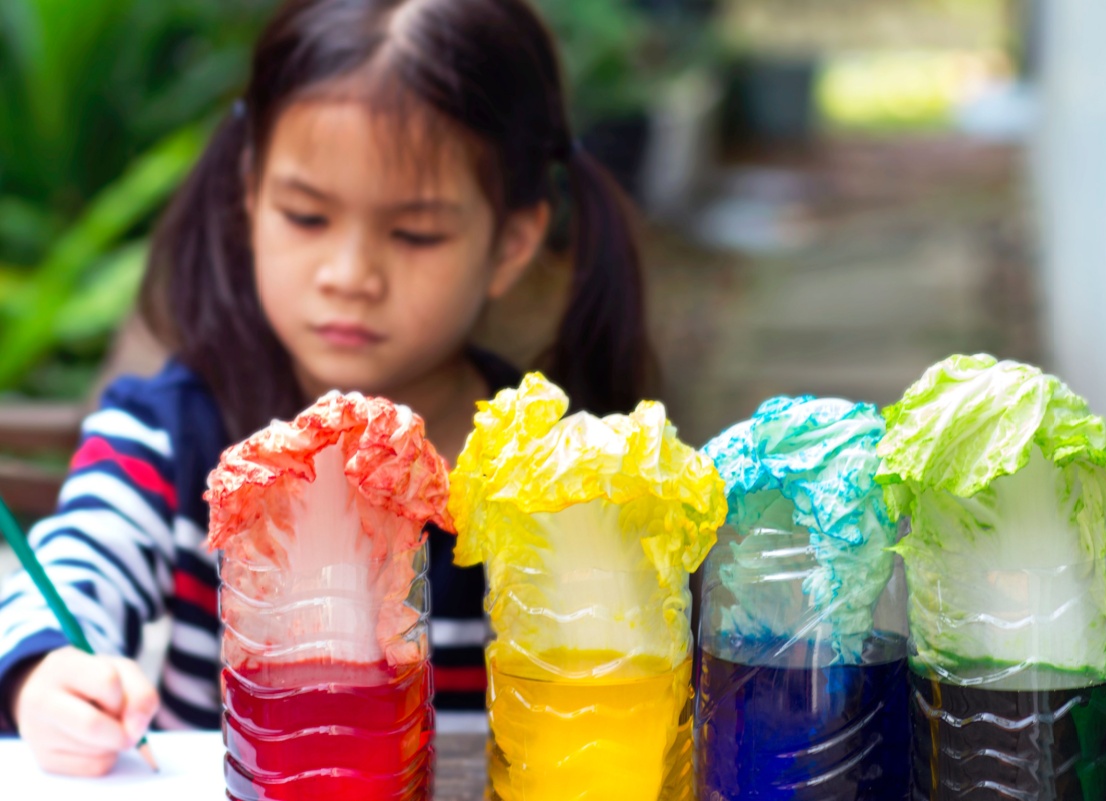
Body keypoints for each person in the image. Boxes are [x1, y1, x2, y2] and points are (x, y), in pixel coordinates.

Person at [0, 0, 651, 776]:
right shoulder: (168, 429)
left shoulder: (550, 474)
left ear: (510, 243)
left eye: (414, 234)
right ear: (249, 197)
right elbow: (74, 568)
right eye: (307, 216)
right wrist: (45, 673)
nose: (350, 276)